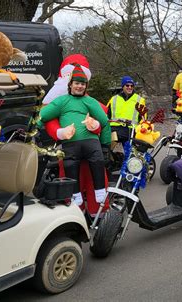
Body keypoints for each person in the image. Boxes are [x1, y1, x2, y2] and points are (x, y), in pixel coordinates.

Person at [42, 54, 111, 217]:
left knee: (96, 180)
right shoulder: (58, 102)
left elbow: (103, 121)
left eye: (82, 83)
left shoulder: (89, 102)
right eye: (74, 81)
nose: (78, 86)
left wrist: (96, 129)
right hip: (69, 148)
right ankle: (74, 214)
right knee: (70, 178)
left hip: (91, 147)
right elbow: (47, 121)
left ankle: (99, 214)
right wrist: (60, 132)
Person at [107, 76, 147, 143]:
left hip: (131, 128)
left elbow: (143, 118)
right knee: (105, 142)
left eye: (132, 86)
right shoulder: (114, 99)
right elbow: (106, 114)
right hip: (114, 127)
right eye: (127, 85)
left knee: (128, 149)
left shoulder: (140, 100)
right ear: (123, 86)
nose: (130, 87)